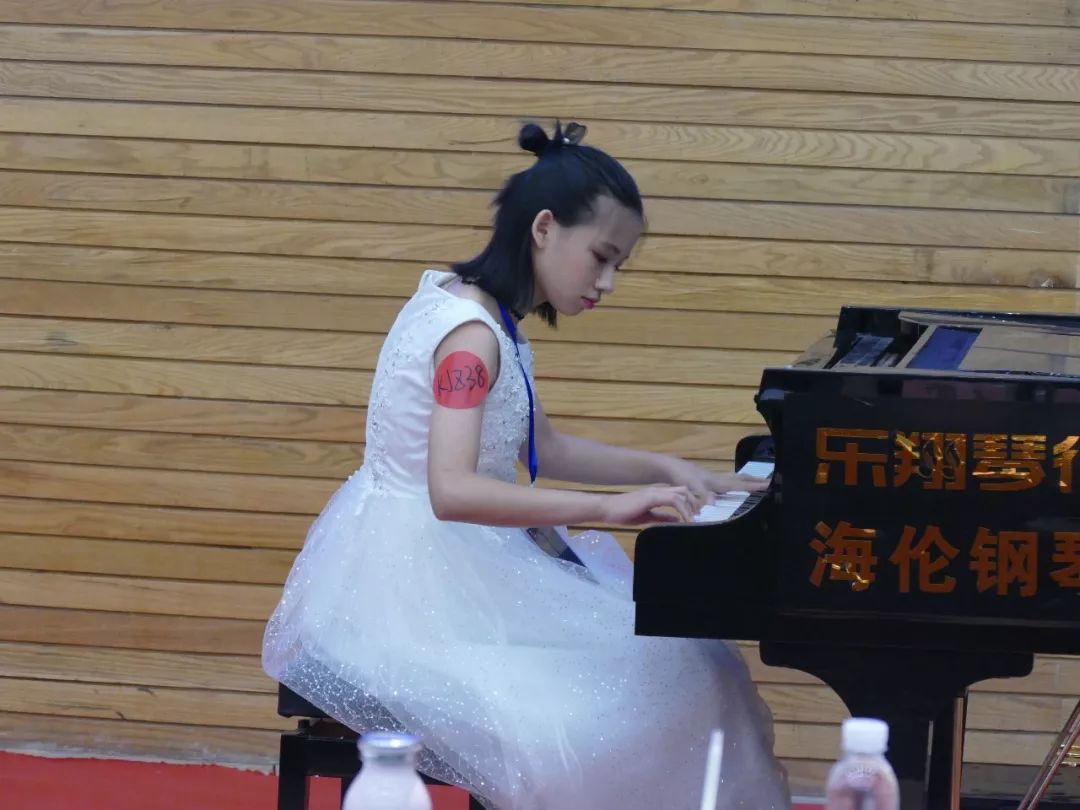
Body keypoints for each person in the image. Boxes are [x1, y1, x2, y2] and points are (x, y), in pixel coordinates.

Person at [262, 121, 791, 809]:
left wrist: (674, 469)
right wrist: (607, 509)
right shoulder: (470, 339)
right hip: (413, 584)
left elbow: (548, 447)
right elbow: (452, 491)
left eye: (619, 265)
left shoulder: (484, 315)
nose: (607, 282)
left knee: (693, 662)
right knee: (636, 697)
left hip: (455, 563)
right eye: (601, 257)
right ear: (544, 228)